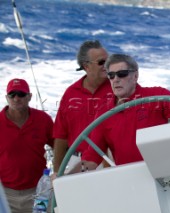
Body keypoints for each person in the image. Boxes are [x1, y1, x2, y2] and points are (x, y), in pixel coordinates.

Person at [68, 53, 170, 172]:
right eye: (111, 75)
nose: (116, 79)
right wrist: (64, 177)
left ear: (135, 76)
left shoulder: (157, 96)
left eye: (122, 74)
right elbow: (92, 158)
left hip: (164, 173)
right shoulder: (104, 112)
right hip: (130, 181)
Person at [52, 40, 112, 177]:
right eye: (102, 62)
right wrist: (57, 172)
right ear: (86, 66)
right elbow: (60, 136)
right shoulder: (70, 94)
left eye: (109, 61)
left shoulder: (118, 88)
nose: (107, 66)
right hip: (78, 162)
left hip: (110, 161)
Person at [0, 78, 53, 213]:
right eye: (12, 94)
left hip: (38, 191)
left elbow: (59, 147)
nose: (16, 98)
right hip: (5, 193)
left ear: (29, 97)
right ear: (7, 97)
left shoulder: (43, 119)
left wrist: (57, 173)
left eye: (21, 94)